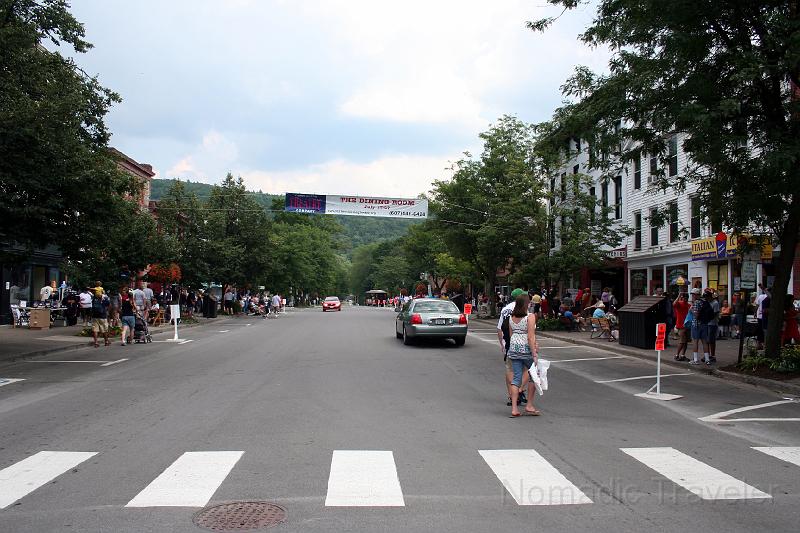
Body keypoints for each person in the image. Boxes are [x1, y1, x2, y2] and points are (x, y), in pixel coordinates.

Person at [506, 294, 540, 417]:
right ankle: (529, 405)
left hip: (514, 349)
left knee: (516, 379)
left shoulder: (511, 317)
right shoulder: (530, 317)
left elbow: (511, 335)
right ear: (526, 304)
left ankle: (514, 408)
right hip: (526, 350)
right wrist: (534, 353)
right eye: (529, 302)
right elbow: (530, 337)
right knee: (534, 376)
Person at [497, 288, 529, 407]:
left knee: (509, 369)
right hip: (523, 343)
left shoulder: (505, 309)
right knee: (527, 368)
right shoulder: (523, 309)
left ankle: (511, 395)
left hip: (509, 342)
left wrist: (502, 344)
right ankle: (519, 390)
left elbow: (499, 328)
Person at [690, 288, 713, 365]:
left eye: (693, 294)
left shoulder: (696, 302)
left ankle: (695, 359)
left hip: (696, 325)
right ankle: (707, 359)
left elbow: (696, 315)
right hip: (704, 324)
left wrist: (691, 310)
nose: (692, 296)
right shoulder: (704, 301)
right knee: (704, 342)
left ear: (696, 295)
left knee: (695, 342)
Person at [673, 292, 691, 361]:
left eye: (686, 297)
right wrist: (678, 296)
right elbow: (674, 304)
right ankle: (677, 355)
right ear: (682, 298)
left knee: (685, 341)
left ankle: (683, 355)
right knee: (682, 341)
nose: (685, 298)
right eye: (684, 297)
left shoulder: (689, 305)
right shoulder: (679, 304)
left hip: (687, 325)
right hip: (681, 325)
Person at [706, 291, 721, 362]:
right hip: (707, 323)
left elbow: (715, 314)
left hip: (712, 323)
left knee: (711, 340)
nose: (706, 299)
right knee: (707, 340)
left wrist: (707, 317)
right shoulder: (707, 302)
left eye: (707, 297)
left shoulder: (715, 303)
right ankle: (708, 355)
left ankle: (713, 355)